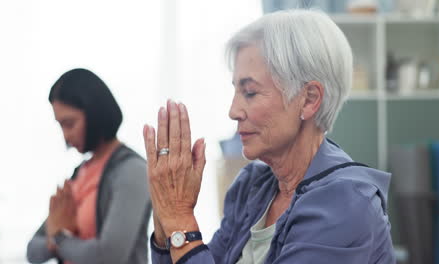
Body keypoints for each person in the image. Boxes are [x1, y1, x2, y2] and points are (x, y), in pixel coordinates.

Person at [144, 9, 395, 264]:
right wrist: (166, 221)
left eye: (250, 92)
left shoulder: (346, 203)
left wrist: (179, 218)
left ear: (309, 100)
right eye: (236, 91)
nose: (233, 111)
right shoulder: (252, 186)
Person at [27, 68, 151, 264]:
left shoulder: (131, 170)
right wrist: (59, 238)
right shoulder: (80, 174)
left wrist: (59, 237)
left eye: (69, 123)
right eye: (60, 125)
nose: (65, 136)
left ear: (95, 113)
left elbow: (108, 256)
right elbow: (33, 251)